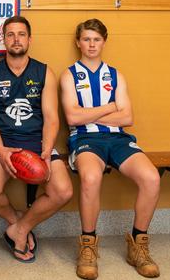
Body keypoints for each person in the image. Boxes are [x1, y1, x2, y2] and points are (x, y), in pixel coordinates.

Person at [60, 19, 161, 279]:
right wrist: (110, 107)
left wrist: (89, 113)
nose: (91, 44)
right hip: (85, 139)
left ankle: (138, 245)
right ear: (78, 42)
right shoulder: (69, 74)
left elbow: (127, 118)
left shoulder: (116, 75)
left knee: (151, 178)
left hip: (118, 139)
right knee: (91, 178)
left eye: (96, 39)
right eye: (86, 39)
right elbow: (72, 118)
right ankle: (88, 245)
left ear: (104, 42)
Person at [0, 15, 73, 263]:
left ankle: (19, 230)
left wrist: (47, 150)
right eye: (10, 34)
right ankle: (17, 221)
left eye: (21, 34)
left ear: (29, 39)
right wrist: (0, 150)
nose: (16, 39)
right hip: (3, 142)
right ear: (4, 40)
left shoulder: (44, 72)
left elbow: (52, 118)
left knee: (62, 191)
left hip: (38, 144)